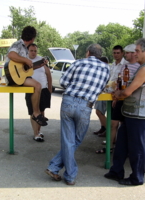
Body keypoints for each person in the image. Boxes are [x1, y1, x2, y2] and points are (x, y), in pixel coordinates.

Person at [45, 44, 110, 185]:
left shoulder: (78, 63)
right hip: (86, 106)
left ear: (88, 53)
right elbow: (102, 87)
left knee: (69, 141)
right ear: (99, 55)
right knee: (76, 140)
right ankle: (69, 175)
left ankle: (55, 167)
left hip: (68, 102)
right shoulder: (106, 68)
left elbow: (63, 82)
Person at [104, 38, 145, 186]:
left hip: (138, 113)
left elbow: (128, 92)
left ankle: (137, 178)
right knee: (121, 143)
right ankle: (116, 171)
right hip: (131, 112)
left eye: (137, 51)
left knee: (136, 147)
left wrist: (117, 94)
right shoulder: (143, 67)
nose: (135, 53)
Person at [0, 26, 47, 126]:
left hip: (19, 77)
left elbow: (23, 69)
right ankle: (36, 113)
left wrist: (37, 66)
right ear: (32, 38)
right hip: (12, 77)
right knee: (38, 86)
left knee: (36, 86)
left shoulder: (25, 48)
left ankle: (36, 113)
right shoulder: (18, 44)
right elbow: (11, 55)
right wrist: (27, 60)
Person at [96, 44, 140, 154]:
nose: (125, 54)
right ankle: (110, 147)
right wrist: (116, 95)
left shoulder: (140, 67)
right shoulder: (121, 66)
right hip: (117, 97)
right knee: (113, 123)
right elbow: (119, 83)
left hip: (130, 101)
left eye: (127, 52)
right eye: (115, 53)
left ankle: (127, 150)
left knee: (126, 125)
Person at [25, 43, 52, 142]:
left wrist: (49, 89)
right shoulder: (24, 61)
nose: (33, 52)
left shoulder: (41, 60)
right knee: (33, 112)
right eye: (31, 50)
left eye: (35, 51)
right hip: (31, 90)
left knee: (41, 112)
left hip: (44, 89)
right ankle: (35, 134)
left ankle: (39, 132)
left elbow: (48, 74)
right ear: (28, 51)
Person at [93, 56, 109, 137]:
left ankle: (108, 130)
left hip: (107, 94)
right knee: (99, 111)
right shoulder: (100, 70)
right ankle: (103, 128)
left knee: (99, 112)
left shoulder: (108, 70)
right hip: (101, 94)